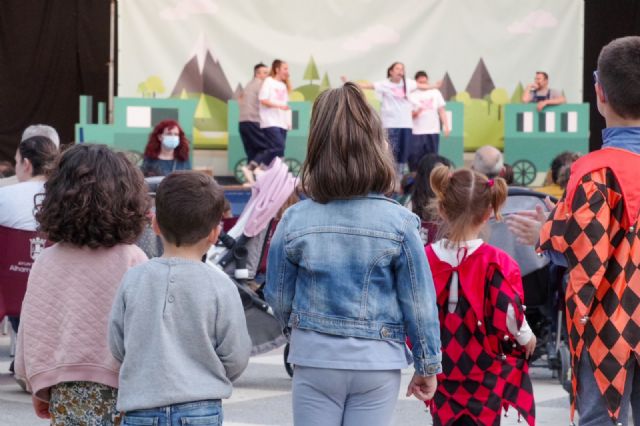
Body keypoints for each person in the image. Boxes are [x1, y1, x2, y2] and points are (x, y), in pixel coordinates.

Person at [265, 82, 442, 426]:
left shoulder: (295, 219)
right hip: (378, 360)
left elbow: (278, 295)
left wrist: (299, 331)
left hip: (315, 356)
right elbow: (419, 304)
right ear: (378, 147)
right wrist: (427, 364)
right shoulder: (401, 222)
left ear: (316, 148)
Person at [538, 36, 640, 426]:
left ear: (600, 92)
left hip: (608, 327)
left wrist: (545, 230)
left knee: (600, 419)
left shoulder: (593, 172)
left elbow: (581, 254)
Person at [14, 144, 149, 424]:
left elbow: (35, 324)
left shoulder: (47, 260)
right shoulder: (133, 259)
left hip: (66, 389)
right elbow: (146, 332)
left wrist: (39, 384)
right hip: (124, 389)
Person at [108, 171, 251, 425]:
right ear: (214, 234)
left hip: (142, 406)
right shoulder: (221, 285)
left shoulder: (133, 279)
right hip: (201, 407)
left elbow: (118, 346)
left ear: (155, 225)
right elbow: (236, 355)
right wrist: (209, 372)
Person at [426, 165, 536, 425]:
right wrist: (526, 336)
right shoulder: (497, 262)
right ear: (489, 213)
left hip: (441, 367)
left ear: (441, 209)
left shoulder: (425, 257)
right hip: (484, 372)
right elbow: (509, 312)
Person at [0, 135, 58, 374]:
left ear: (26, 163)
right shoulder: (66, 199)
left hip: (9, 291)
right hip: (54, 289)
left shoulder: (4, 196)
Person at [342, 62, 440, 176]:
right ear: (391, 71)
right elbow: (367, 86)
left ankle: (400, 178)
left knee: (404, 153)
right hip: (390, 124)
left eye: (402, 69)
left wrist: (435, 86)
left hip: (406, 124)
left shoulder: (408, 83)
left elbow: (423, 86)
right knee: (390, 152)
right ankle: (389, 176)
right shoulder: (384, 84)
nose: (400, 71)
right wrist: (348, 82)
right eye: (397, 68)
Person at [408, 71, 450, 171]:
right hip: (416, 132)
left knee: (432, 158)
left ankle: (430, 178)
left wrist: (446, 126)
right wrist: (415, 114)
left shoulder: (435, 93)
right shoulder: (411, 94)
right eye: (420, 82)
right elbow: (407, 115)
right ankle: (414, 178)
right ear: (416, 82)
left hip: (433, 131)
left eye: (425, 82)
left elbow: (442, 111)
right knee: (415, 158)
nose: (423, 84)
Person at [239, 63, 270, 183]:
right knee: (267, 147)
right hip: (254, 120)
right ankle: (249, 168)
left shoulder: (248, 85)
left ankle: (250, 180)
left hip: (242, 122)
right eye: (265, 72)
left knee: (252, 151)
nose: (267, 75)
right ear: (258, 73)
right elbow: (266, 102)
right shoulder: (261, 85)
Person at [258, 59, 290, 168]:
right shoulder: (268, 81)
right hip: (270, 122)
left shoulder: (283, 86)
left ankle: (274, 175)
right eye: (285, 68)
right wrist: (279, 106)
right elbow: (263, 100)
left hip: (282, 123)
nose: (287, 71)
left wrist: (288, 122)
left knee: (280, 152)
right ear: (277, 69)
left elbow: (285, 105)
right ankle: (260, 168)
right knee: (278, 146)